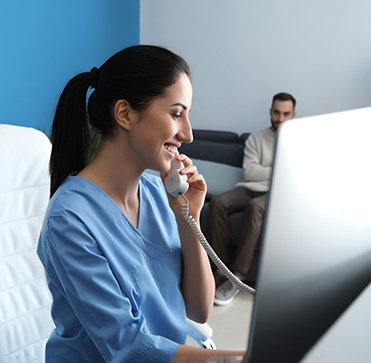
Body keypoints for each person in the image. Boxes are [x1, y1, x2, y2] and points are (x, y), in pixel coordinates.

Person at [37, 45, 245, 362]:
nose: (188, 134)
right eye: (177, 114)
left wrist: (189, 218)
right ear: (125, 114)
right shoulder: (70, 221)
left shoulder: (157, 193)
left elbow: (198, 311)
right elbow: (129, 348)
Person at [209, 92, 297, 306]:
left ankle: (237, 277)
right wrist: (279, 168)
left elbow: (293, 174)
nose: (280, 117)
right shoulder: (256, 138)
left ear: (293, 114)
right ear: (270, 111)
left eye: (286, 113)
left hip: (276, 191)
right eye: (276, 112)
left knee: (254, 207)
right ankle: (220, 269)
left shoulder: (298, 138)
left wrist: (269, 170)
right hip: (249, 187)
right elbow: (250, 172)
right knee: (218, 203)